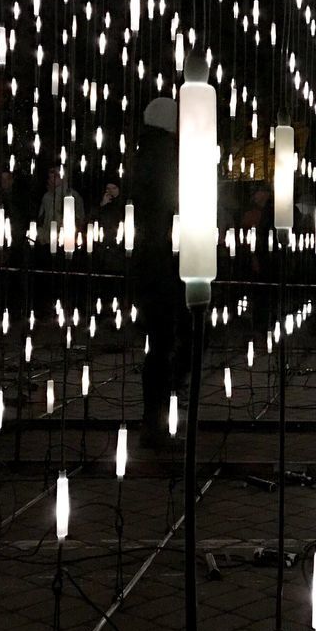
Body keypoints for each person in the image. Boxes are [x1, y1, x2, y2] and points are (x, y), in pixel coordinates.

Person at [130, 97, 189, 447]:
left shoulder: (142, 154)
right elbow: (173, 202)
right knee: (167, 342)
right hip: (165, 260)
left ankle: (156, 416)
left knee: (160, 341)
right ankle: (156, 421)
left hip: (148, 260)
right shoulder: (165, 156)